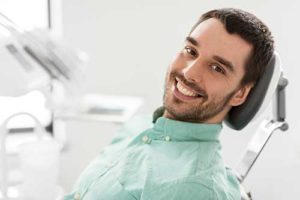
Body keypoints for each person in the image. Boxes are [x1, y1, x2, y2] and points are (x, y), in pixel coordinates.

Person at [64, 8, 274, 200]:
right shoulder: (138, 126)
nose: (189, 72)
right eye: (191, 51)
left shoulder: (195, 188)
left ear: (240, 94)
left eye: (217, 68)